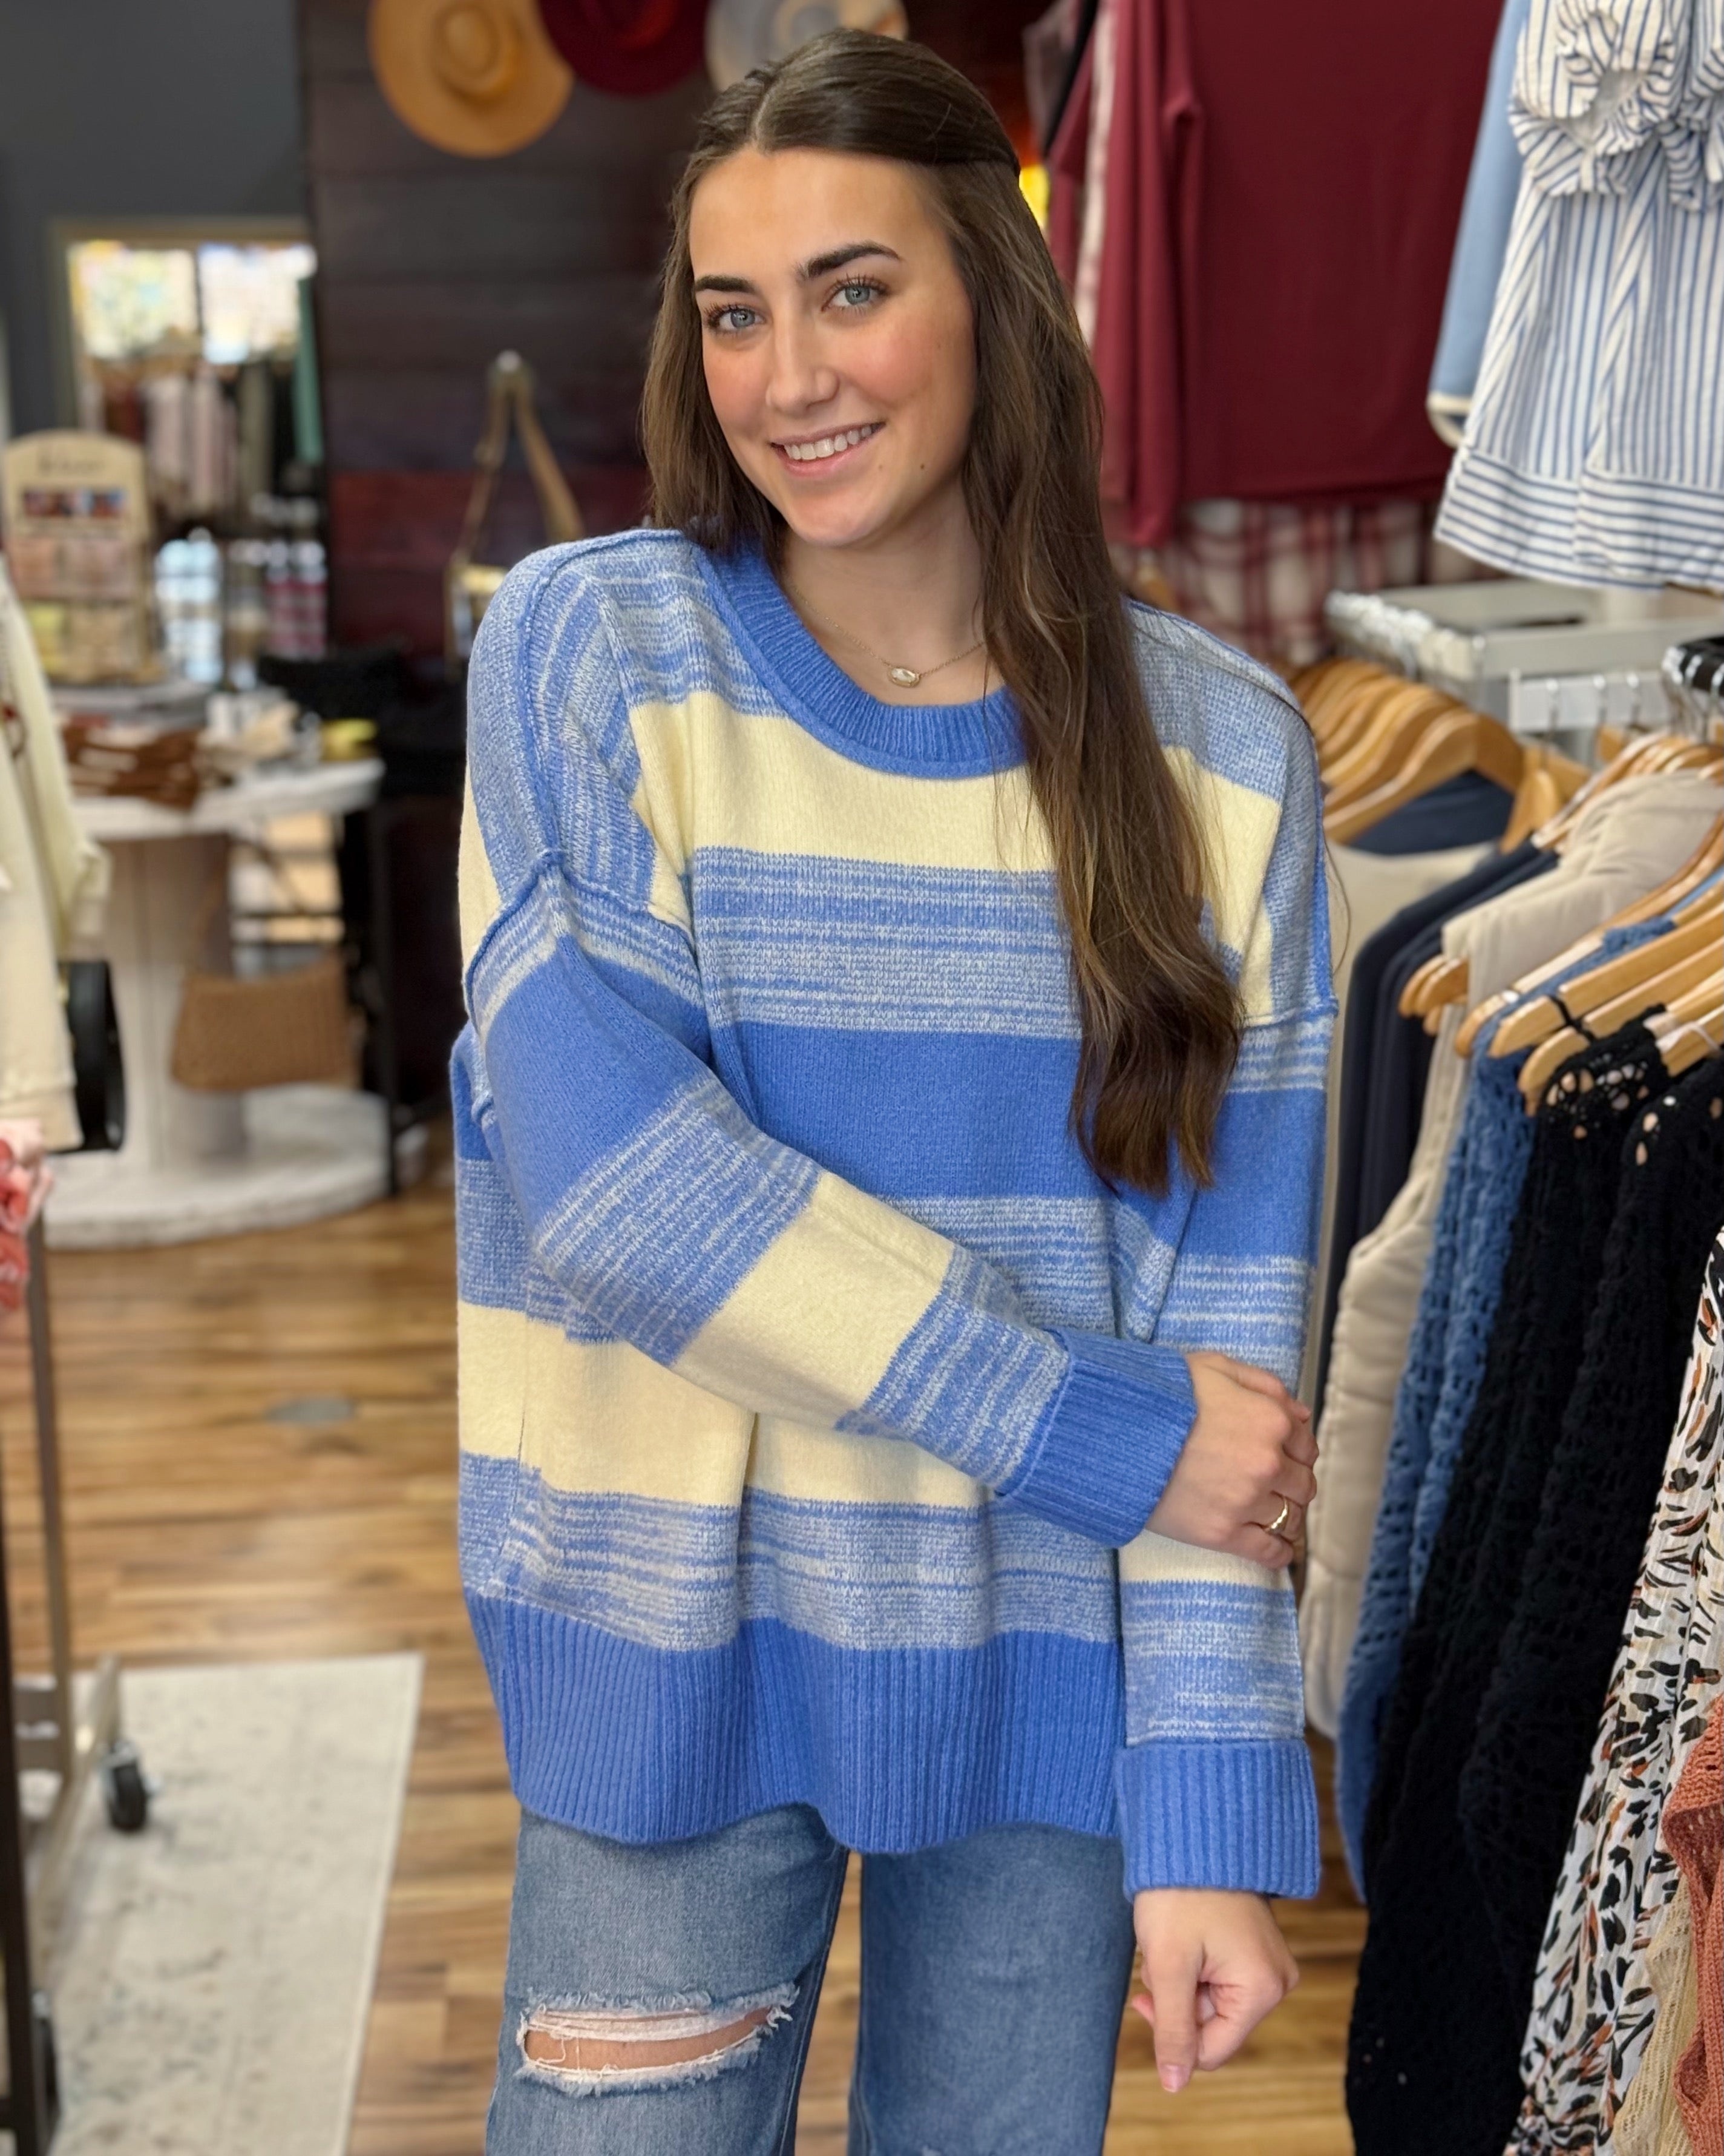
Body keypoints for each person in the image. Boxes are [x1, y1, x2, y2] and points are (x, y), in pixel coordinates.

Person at [456, 29, 1332, 2154]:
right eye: (732, 312)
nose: (785, 378)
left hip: (1044, 1704)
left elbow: (1236, 1332)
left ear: (994, 304)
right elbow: (628, 1198)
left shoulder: (1222, 755)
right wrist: (1102, 1433)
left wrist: (1205, 1806)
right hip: (667, 1664)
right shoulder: (597, 653)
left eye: (852, 288)